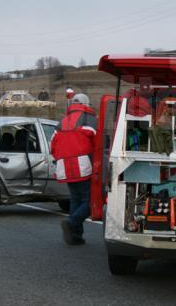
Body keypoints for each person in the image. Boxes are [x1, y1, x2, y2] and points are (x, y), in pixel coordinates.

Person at [50, 93, 97, 245]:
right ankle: (71, 222)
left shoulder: (61, 122)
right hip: (83, 166)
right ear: (86, 104)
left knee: (76, 200)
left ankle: (75, 236)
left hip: (65, 167)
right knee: (89, 202)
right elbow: (99, 143)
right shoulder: (89, 119)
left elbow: (53, 146)